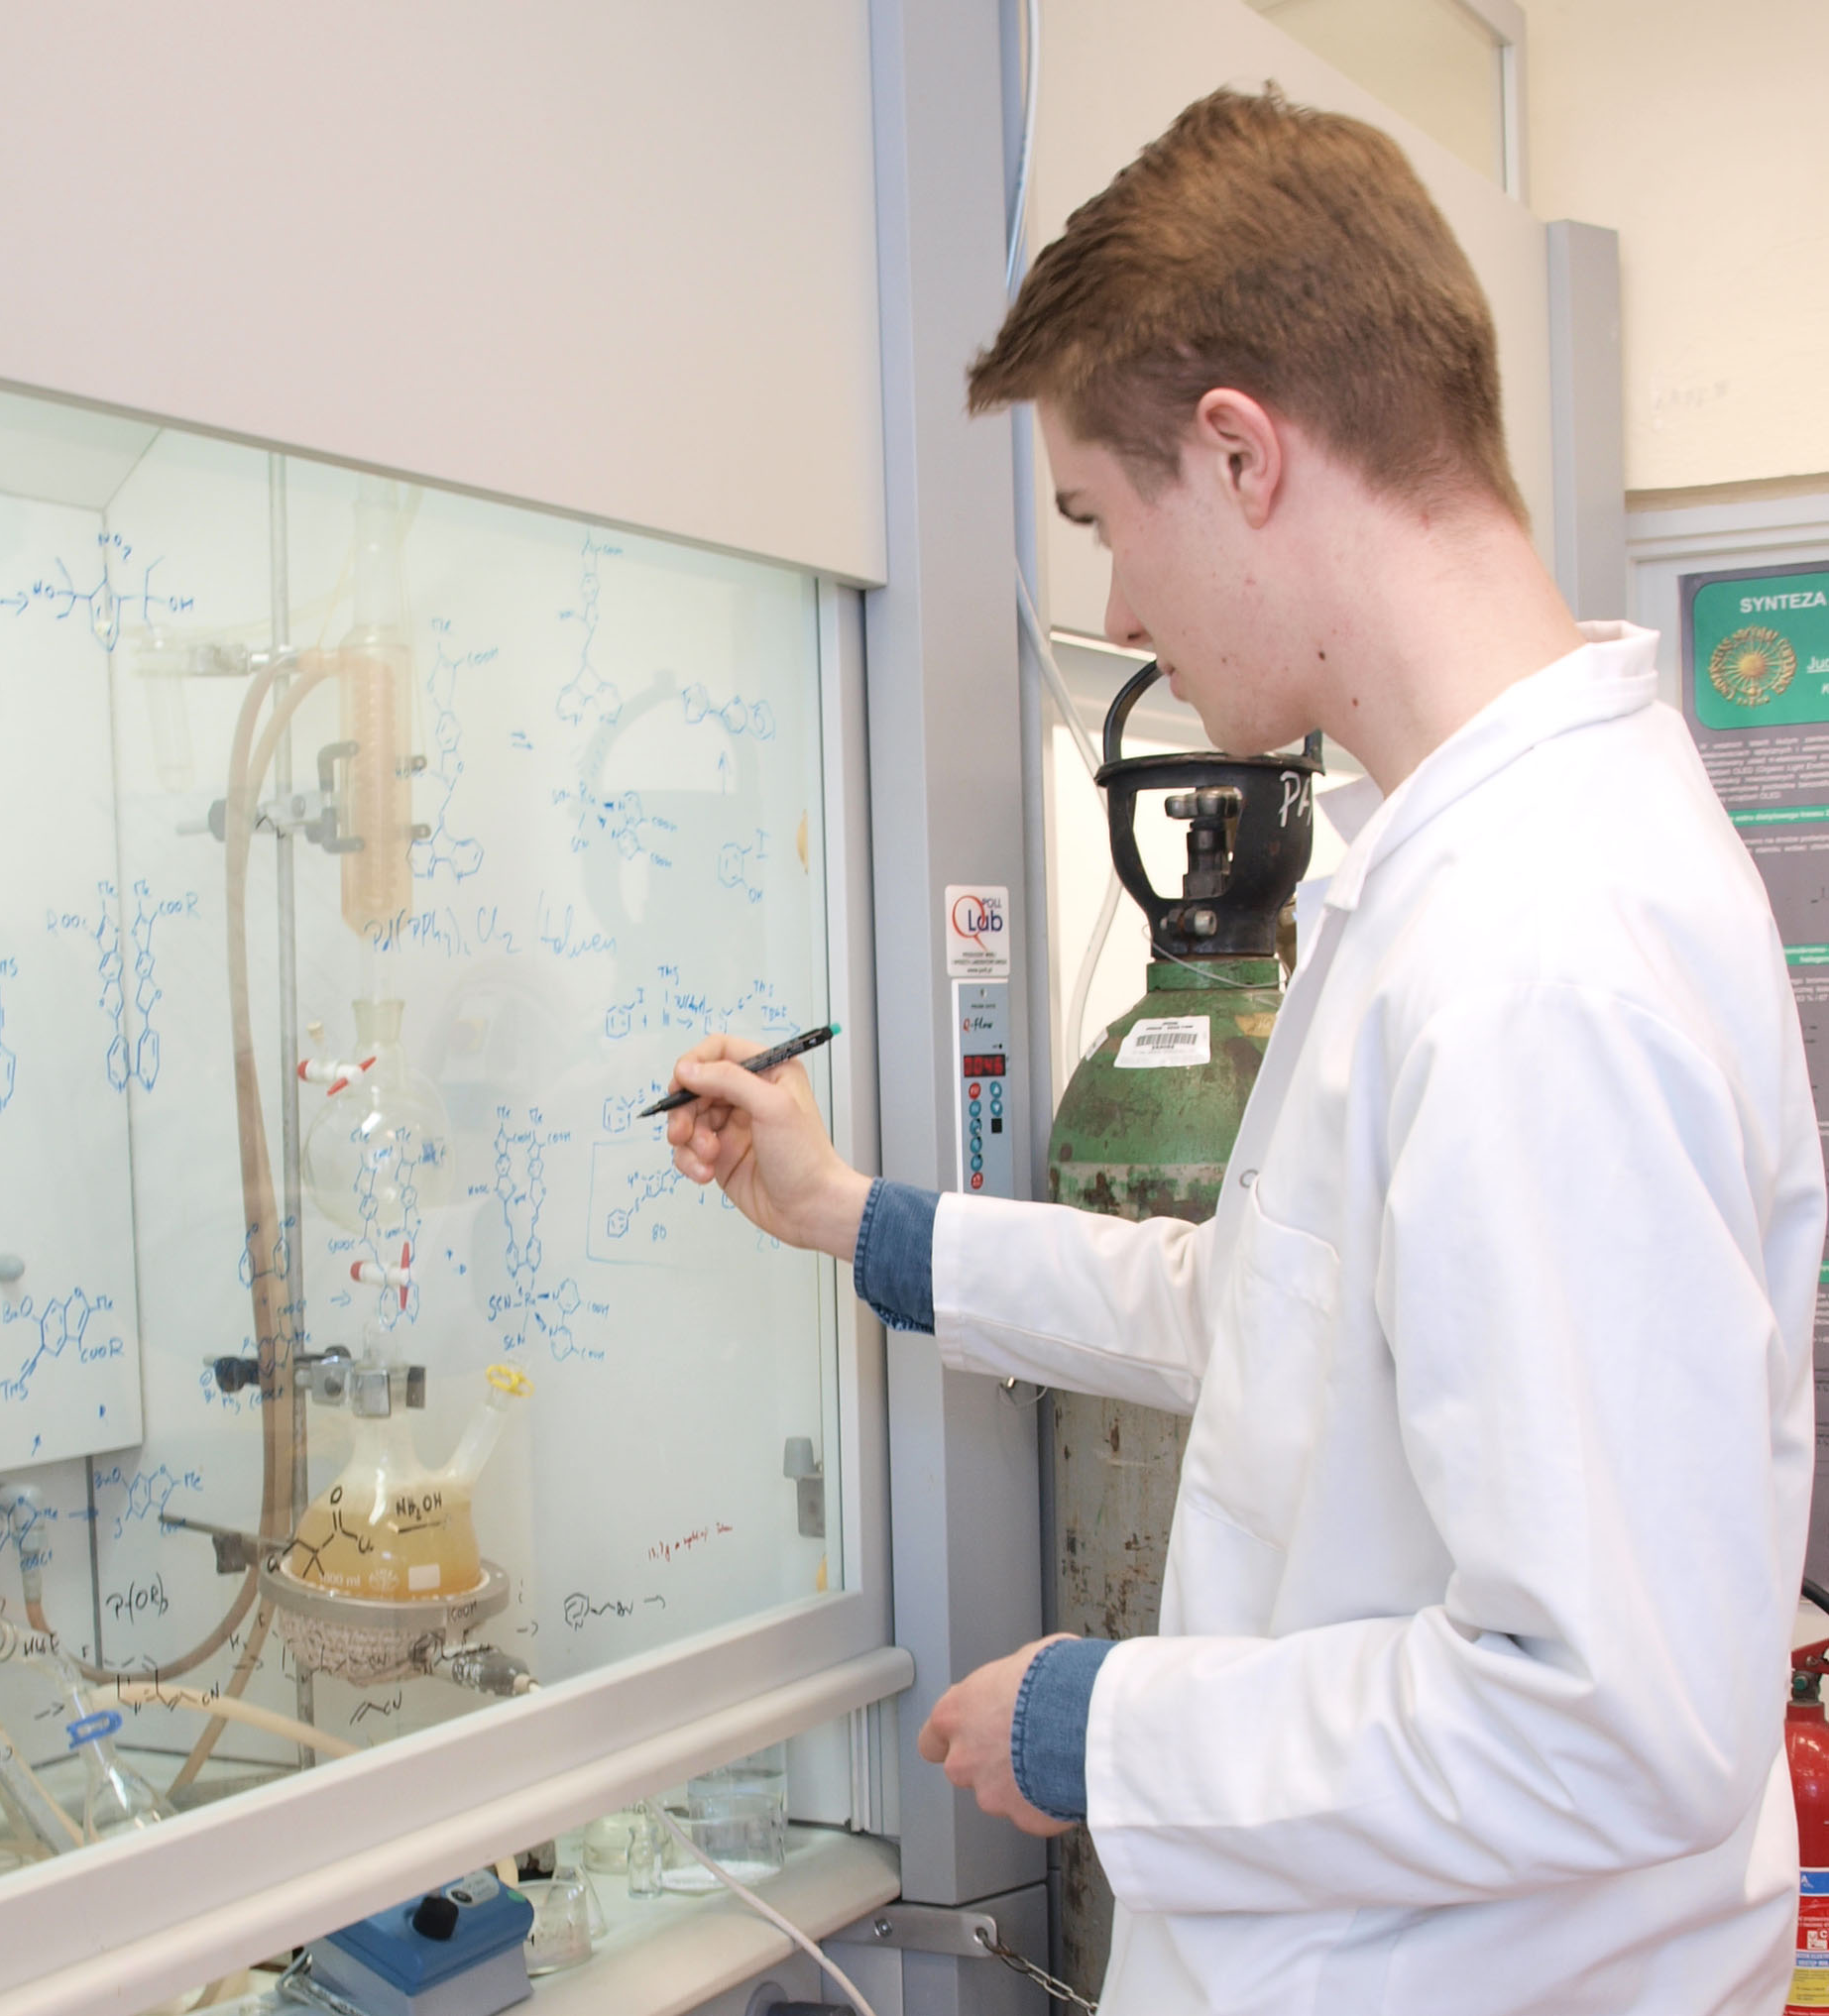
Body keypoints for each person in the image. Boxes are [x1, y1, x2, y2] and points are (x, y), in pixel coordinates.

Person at [664, 86, 1824, 2016]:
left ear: (1240, 453)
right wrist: (858, 1217)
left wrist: (1117, 1730)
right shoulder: (1458, 874)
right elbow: (1274, 1311)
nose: (1116, 604)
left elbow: (1613, 1725)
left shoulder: (1540, 953)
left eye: (1105, 522)